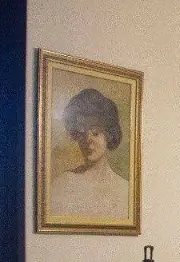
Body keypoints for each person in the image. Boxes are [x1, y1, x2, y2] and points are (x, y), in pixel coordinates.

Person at [50, 88, 130, 219]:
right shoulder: (63, 184)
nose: (88, 140)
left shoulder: (125, 189)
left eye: (95, 133)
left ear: (108, 135)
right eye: (82, 134)